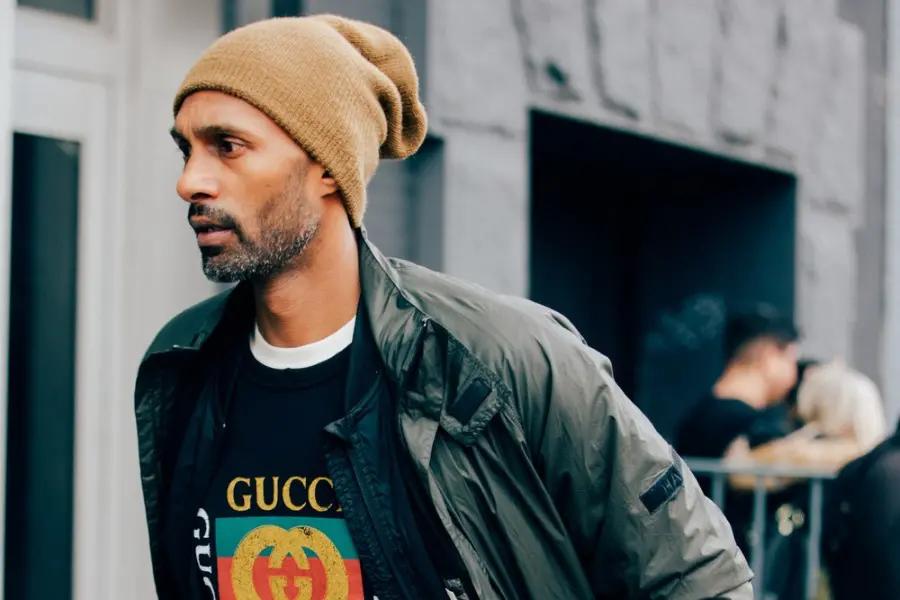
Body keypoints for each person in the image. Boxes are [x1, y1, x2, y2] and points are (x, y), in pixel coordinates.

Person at [134, 14, 753, 600]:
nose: (190, 181)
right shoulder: (183, 364)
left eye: (227, 146)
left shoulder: (500, 360)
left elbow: (696, 577)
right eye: (187, 150)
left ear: (325, 165)